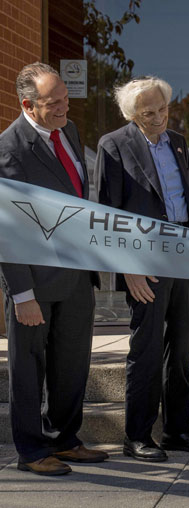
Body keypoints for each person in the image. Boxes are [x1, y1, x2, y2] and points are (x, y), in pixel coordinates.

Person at [95, 76, 189, 462]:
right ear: (131, 114)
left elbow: (185, 202)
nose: (159, 118)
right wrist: (127, 268)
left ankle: (178, 431)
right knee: (145, 349)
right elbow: (105, 212)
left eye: (163, 109)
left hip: (182, 252)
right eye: (148, 113)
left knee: (180, 349)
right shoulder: (113, 145)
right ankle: (137, 436)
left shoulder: (177, 142)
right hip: (144, 259)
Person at [0, 62, 106, 476]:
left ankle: (64, 439)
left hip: (76, 273)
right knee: (29, 369)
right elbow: (7, 228)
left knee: (72, 362)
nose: (66, 107)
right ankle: (30, 451)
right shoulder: (9, 149)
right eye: (54, 102)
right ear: (28, 104)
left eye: (66, 98)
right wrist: (21, 294)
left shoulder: (70, 131)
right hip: (35, 281)